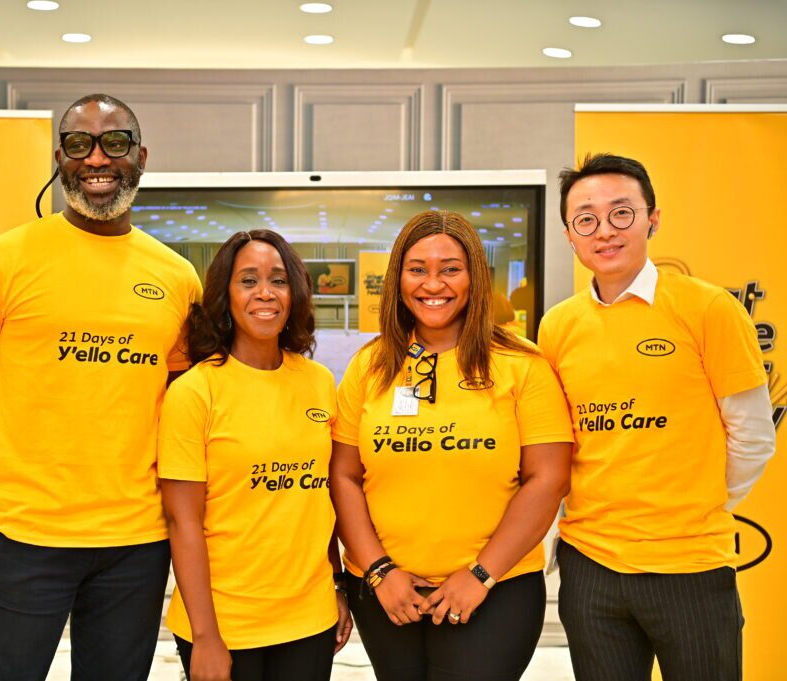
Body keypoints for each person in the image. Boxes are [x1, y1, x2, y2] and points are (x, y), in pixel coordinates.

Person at [0, 93, 201, 681]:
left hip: (137, 543)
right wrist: (31, 453)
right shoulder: (2, 261)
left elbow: (180, 411)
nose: (97, 158)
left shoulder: (176, 277)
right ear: (59, 157)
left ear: (141, 156)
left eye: (115, 142)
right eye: (79, 144)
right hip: (27, 537)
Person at [539, 153, 777, 681]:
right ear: (570, 235)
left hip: (690, 566)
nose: (605, 230)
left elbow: (753, 437)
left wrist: (692, 503)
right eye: (586, 219)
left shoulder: (709, 308)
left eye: (621, 213)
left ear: (653, 218)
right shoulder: (557, 326)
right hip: (591, 565)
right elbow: (557, 443)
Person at [330, 210, 573, 681]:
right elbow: (343, 475)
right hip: (386, 592)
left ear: (475, 277)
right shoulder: (370, 365)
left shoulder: (522, 365)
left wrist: (480, 575)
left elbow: (549, 478)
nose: (432, 283)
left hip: (494, 590)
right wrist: (380, 571)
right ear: (398, 278)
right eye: (417, 269)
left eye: (450, 269)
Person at [158, 229, 352, 681]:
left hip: (310, 618)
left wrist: (338, 585)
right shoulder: (195, 391)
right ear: (225, 294)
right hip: (227, 623)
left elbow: (318, 497)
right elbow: (182, 521)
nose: (265, 293)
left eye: (278, 280)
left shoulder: (319, 381)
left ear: (296, 292)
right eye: (248, 280)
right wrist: (205, 637)